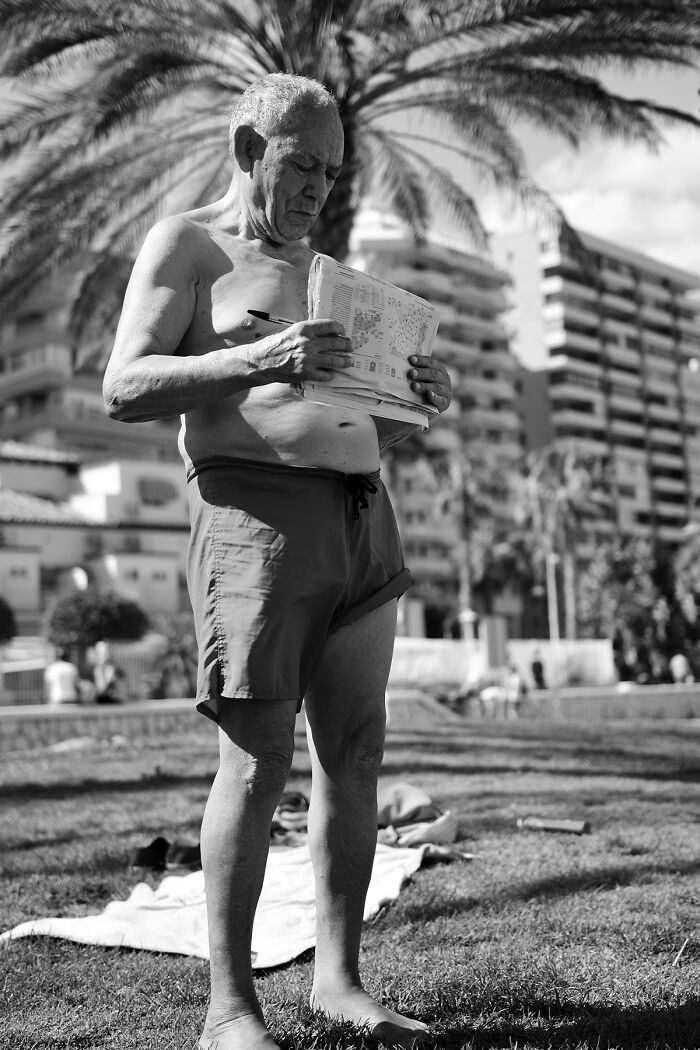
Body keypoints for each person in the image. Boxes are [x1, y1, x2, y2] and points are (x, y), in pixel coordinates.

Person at [103, 73, 452, 1050]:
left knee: (355, 756)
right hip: (255, 518)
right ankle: (230, 1013)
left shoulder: (332, 272)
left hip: (360, 516)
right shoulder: (188, 245)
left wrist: (422, 395)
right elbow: (125, 384)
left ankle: (339, 983)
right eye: (301, 167)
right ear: (248, 149)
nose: (316, 190)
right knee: (256, 765)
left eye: (332, 175)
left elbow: (356, 401)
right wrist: (259, 360)